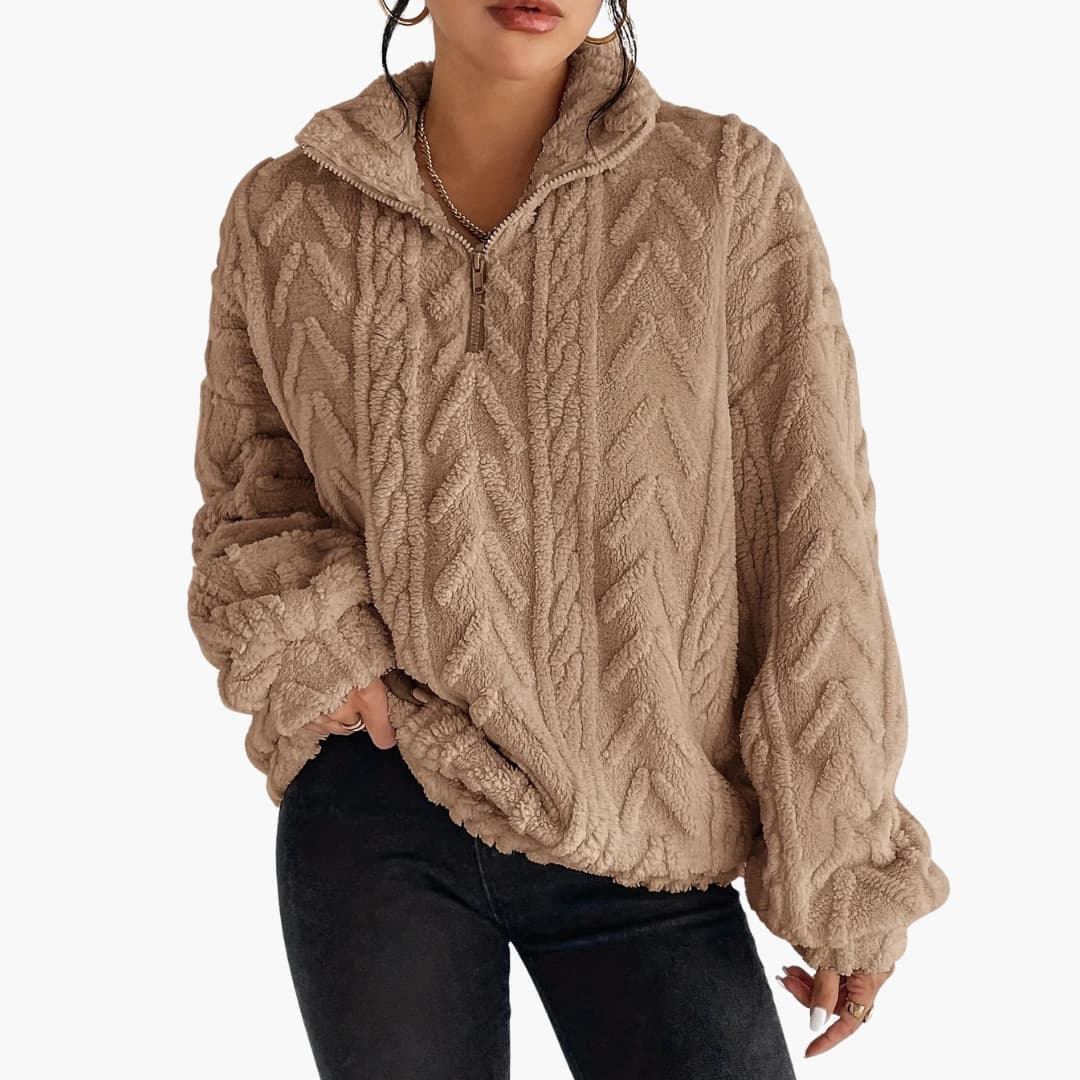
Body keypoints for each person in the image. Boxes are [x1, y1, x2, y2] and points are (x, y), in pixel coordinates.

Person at [186, 1, 950, 1076]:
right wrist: (322, 651)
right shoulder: (287, 210)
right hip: (383, 806)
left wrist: (842, 870)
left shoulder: (720, 186)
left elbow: (812, 534)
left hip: (650, 824)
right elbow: (252, 491)